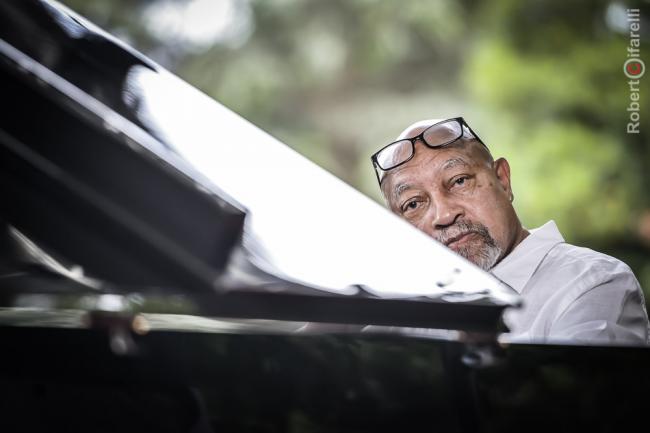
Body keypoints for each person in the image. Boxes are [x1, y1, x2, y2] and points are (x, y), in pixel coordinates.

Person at [371, 117, 649, 345]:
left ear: (502, 180)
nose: (443, 215)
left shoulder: (593, 282)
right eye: (413, 204)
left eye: (459, 181)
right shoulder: (401, 314)